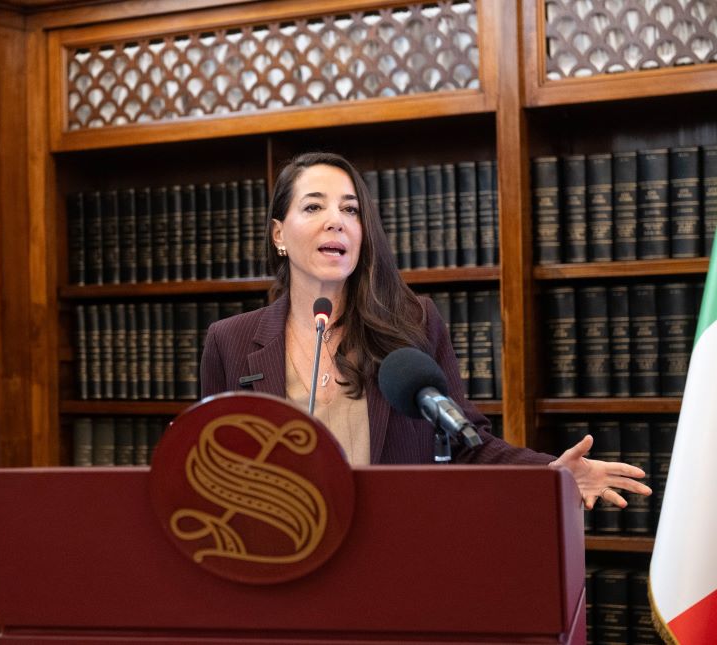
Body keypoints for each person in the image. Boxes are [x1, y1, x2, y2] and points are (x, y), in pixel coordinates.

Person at [200, 151, 649, 511]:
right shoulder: (230, 341)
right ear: (279, 234)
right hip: (279, 559)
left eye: (350, 209)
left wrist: (551, 474)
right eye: (314, 206)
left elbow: (465, 443)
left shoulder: (412, 323)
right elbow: (214, 469)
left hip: (391, 553)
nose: (336, 220)